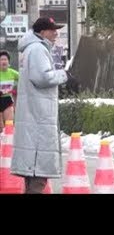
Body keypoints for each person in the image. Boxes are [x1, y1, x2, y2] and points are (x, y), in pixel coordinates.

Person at [10, 17, 78, 194]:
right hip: (38, 120)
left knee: (33, 176)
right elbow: (42, 77)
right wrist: (64, 76)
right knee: (37, 175)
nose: (56, 33)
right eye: (52, 29)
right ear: (41, 32)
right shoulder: (38, 49)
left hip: (34, 117)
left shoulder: (31, 49)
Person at [0, 51, 19, 133]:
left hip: (7, 100)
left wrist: (16, 90)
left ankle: (8, 144)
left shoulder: (13, 73)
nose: (3, 61)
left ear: (8, 62)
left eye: (5, 59)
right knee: (1, 127)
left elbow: (24, 80)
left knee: (9, 126)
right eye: (1, 60)